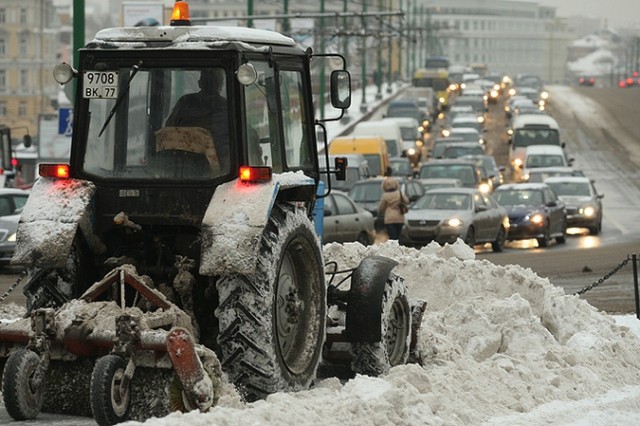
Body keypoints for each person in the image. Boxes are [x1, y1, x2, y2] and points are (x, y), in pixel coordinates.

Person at [165, 69, 230, 166]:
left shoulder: (185, 102)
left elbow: (169, 128)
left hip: (181, 163)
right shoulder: (227, 107)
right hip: (220, 165)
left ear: (200, 83)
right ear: (220, 84)